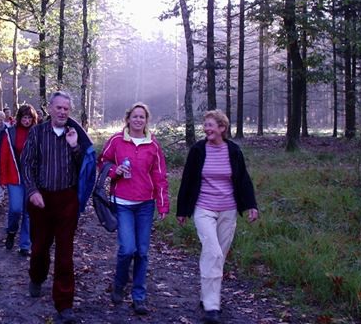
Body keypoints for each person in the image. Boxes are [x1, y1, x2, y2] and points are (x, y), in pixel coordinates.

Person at [176, 109, 259, 324]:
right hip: (204, 208)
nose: (206, 129)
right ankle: (212, 306)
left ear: (222, 128)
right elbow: (187, 180)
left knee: (218, 256)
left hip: (228, 209)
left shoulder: (233, 150)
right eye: (205, 125)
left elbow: (243, 179)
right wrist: (182, 210)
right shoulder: (197, 150)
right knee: (213, 252)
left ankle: (207, 295)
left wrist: (251, 205)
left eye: (211, 125)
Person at [21, 91, 97, 324]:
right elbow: (27, 163)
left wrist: (75, 147)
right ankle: (37, 276)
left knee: (65, 253)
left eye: (66, 108)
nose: (63, 112)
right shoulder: (37, 132)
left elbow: (85, 168)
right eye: (59, 108)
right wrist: (32, 191)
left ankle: (64, 303)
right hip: (41, 200)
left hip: (67, 200)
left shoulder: (76, 134)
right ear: (50, 108)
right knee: (39, 248)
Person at [98, 102, 169, 315]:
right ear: (128, 119)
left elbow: (160, 176)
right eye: (135, 116)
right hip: (123, 204)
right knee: (127, 249)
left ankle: (139, 296)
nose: (138, 120)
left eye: (142, 117)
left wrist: (162, 204)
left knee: (142, 252)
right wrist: (114, 171)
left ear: (146, 121)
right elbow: (102, 161)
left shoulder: (153, 145)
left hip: (145, 204)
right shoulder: (117, 140)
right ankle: (119, 283)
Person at [0, 104, 38, 256]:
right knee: (15, 209)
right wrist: (2, 178)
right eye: (24, 117)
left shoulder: (38, 133)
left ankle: (25, 245)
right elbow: (4, 156)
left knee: (29, 213)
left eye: (29, 118)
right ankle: (11, 231)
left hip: (32, 179)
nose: (27, 121)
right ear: (19, 118)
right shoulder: (10, 133)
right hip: (14, 177)